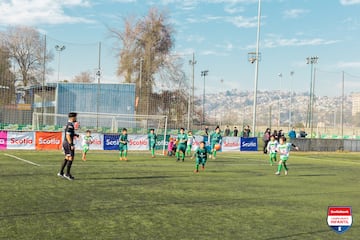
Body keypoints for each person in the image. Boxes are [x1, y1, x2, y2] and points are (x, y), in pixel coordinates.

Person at [58, 112, 79, 180]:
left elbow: (69, 134)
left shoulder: (69, 124)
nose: (76, 118)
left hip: (65, 142)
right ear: (72, 117)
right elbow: (67, 135)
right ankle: (67, 174)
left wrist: (75, 135)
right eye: (75, 117)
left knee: (67, 157)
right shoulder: (70, 125)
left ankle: (61, 172)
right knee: (71, 158)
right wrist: (71, 144)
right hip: (68, 143)